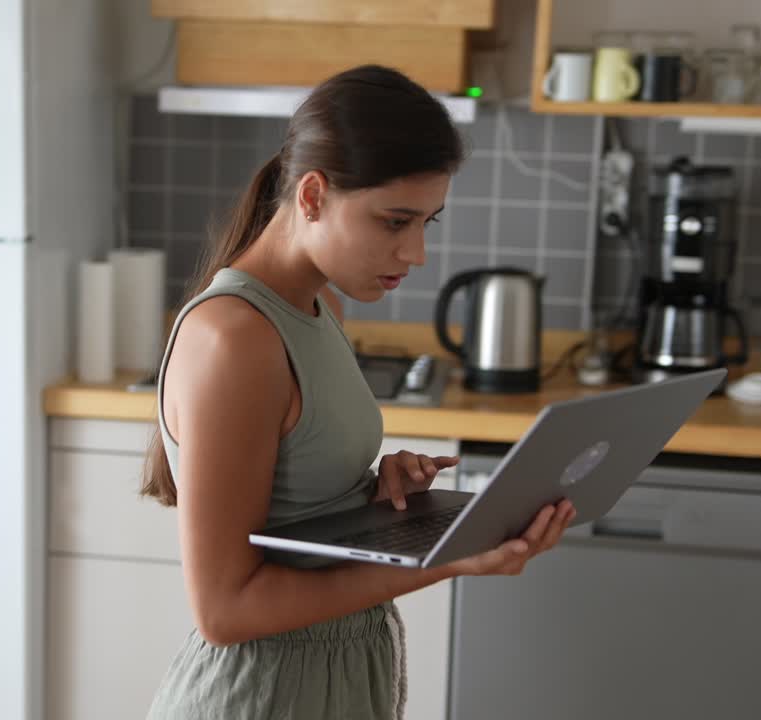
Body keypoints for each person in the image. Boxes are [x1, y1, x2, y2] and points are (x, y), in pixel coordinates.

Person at [140, 65, 576, 719]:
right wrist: (447, 560)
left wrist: (375, 496)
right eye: (395, 221)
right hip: (261, 697)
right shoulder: (234, 337)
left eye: (427, 221)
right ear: (312, 196)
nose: (417, 252)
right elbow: (224, 611)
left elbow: (293, 510)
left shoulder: (320, 307)